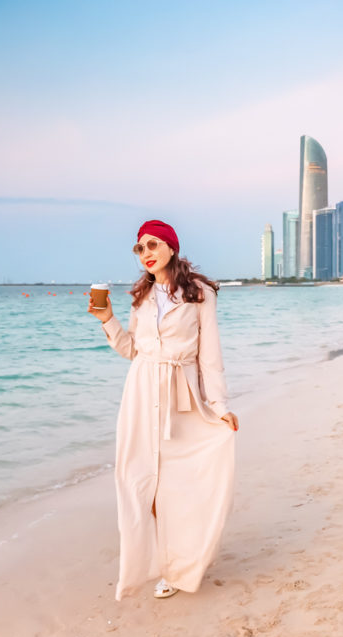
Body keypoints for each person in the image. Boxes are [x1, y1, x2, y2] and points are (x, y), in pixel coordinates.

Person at [88, 220, 238, 600]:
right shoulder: (142, 296)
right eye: (139, 248)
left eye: (153, 245)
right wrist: (107, 320)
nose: (146, 253)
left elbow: (210, 356)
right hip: (140, 392)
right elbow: (132, 351)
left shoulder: (200, 294)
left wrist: (219, 405)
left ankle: (185, 559)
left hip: (181, 393)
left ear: (171, 246)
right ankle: (163, 565)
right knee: (143, 481)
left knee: (180, 482)